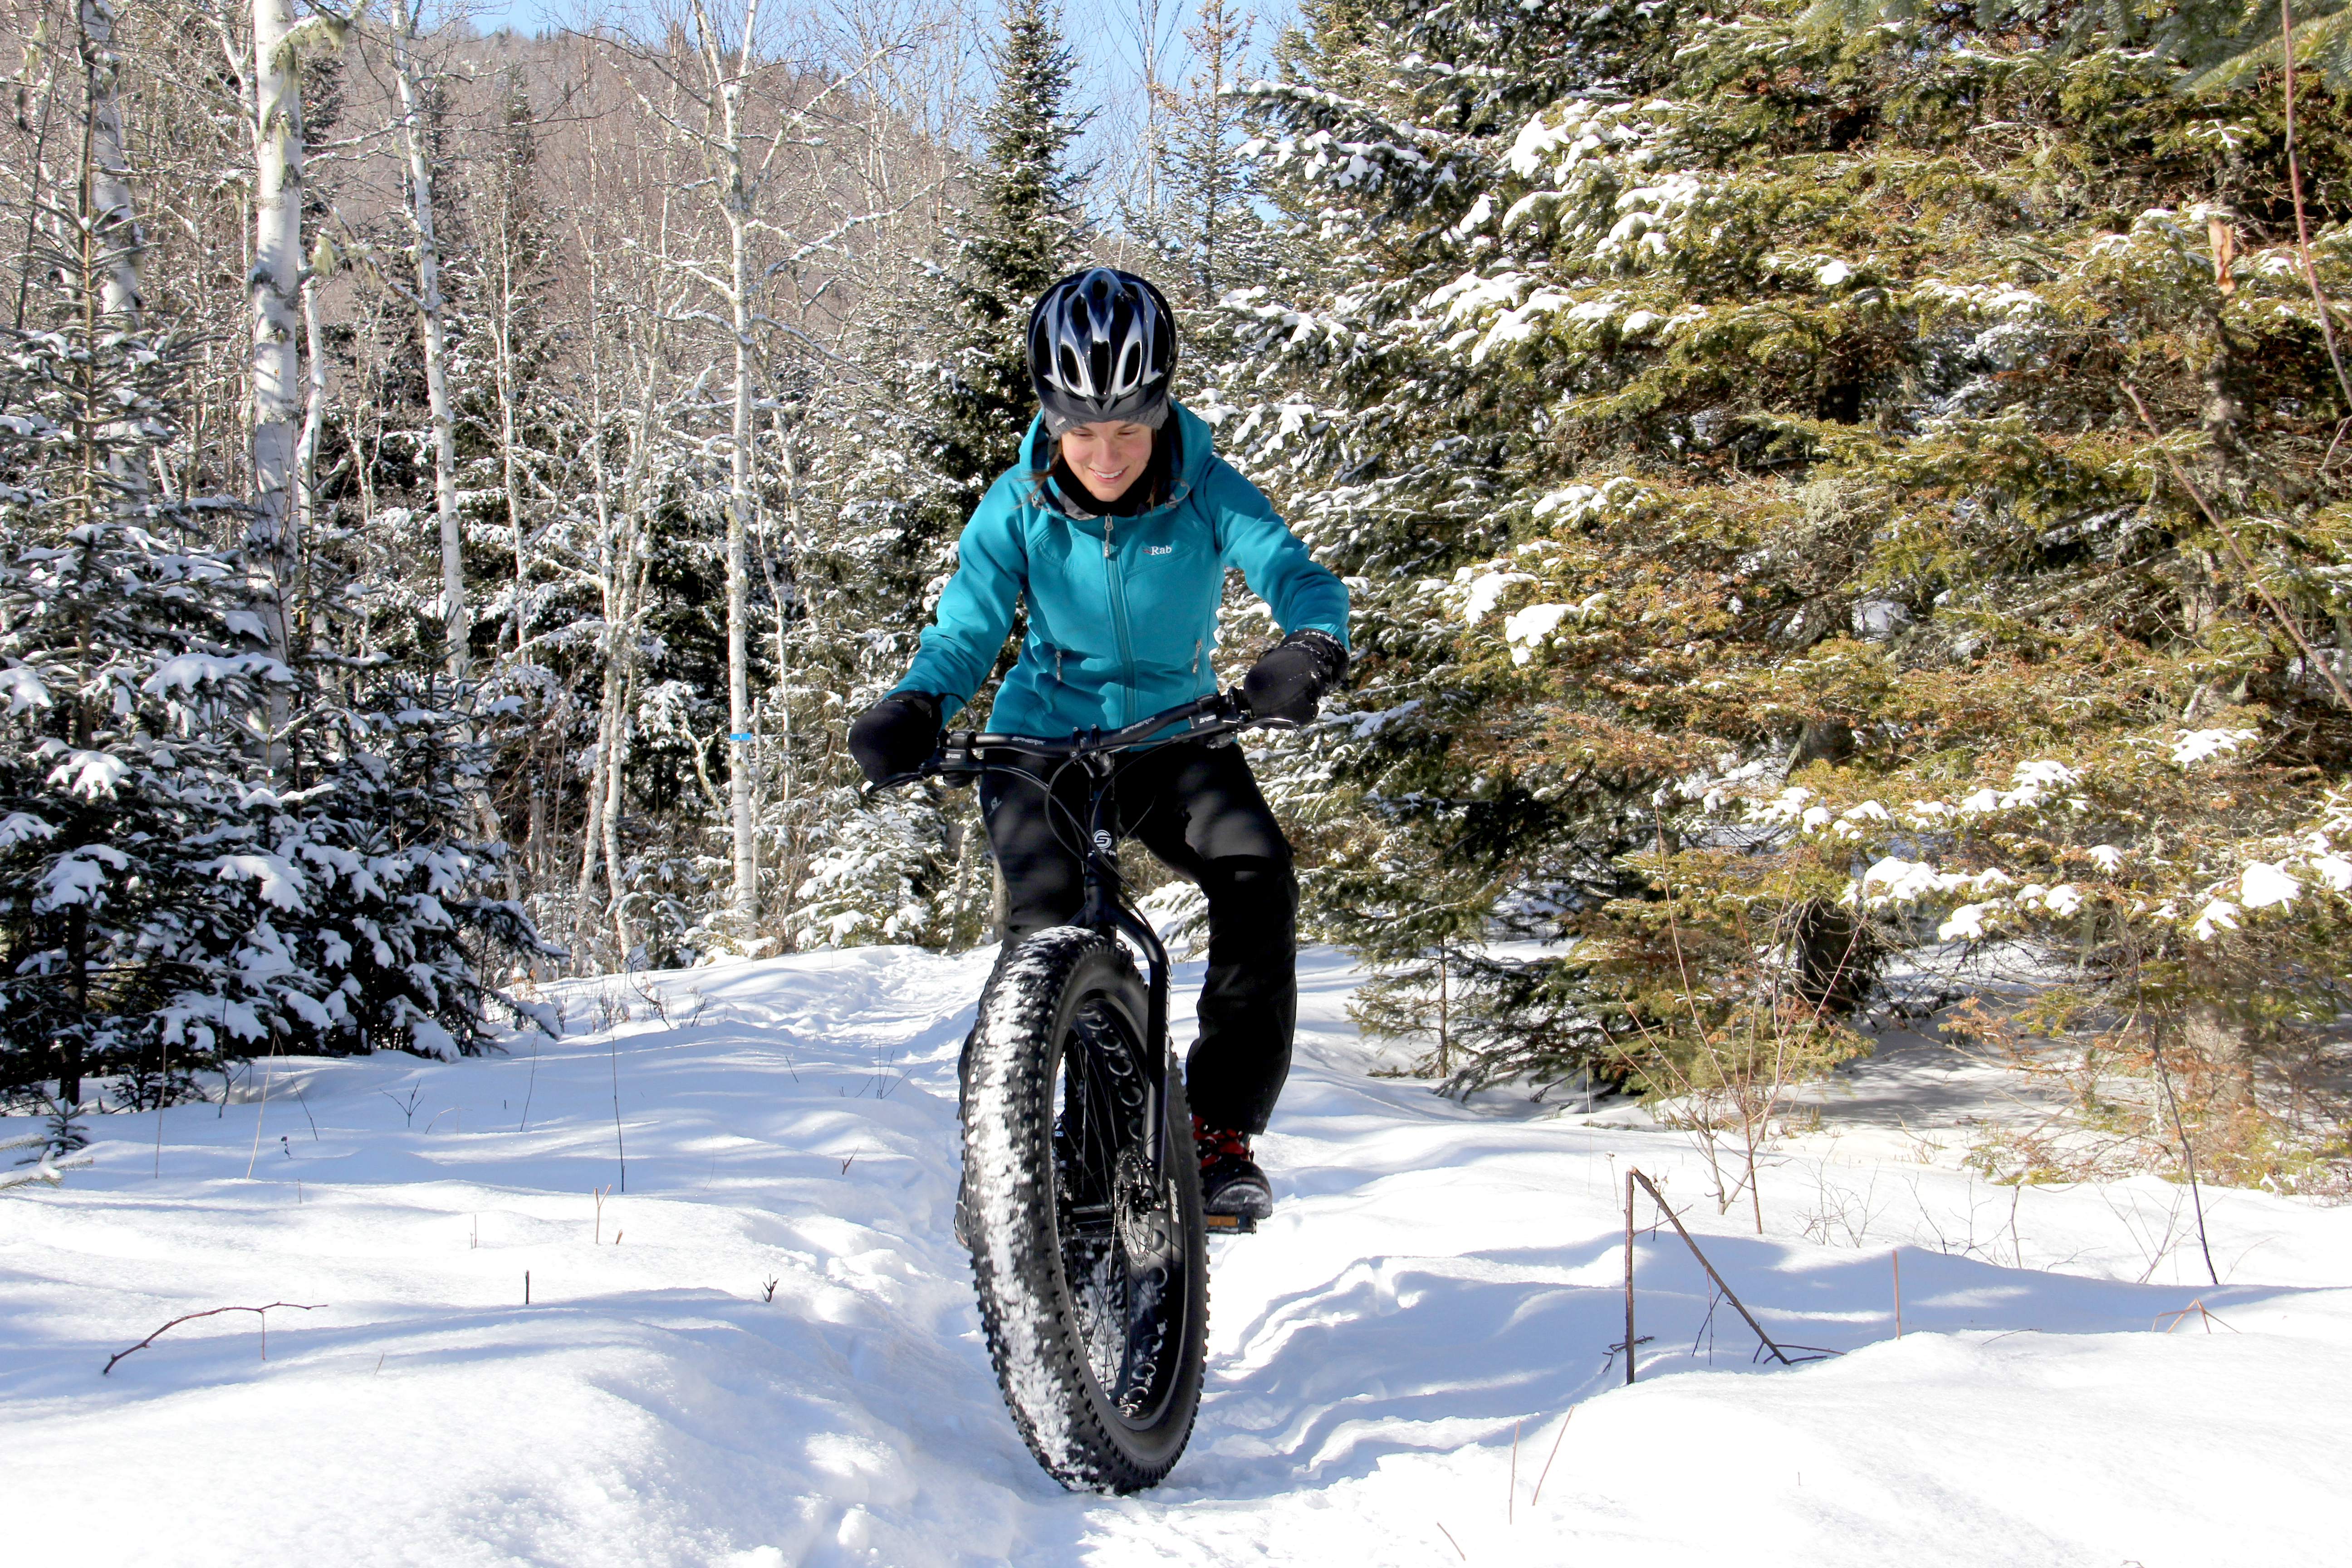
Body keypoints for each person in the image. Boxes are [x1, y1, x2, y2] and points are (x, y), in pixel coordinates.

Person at [847, 268, 1349, 1221]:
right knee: (1047, 925)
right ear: (1050, 415)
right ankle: (1011, 1150)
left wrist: (1310, 646)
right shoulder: (1016, 504)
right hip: (1043, 743)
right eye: (1084, 430)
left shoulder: (1208, 489)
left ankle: (1216, 1132)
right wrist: (917, 702)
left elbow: (1293, 572)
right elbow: (966, 628)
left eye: (1129, 427)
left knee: (1257, 878)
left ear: (1162, 409)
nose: (1107, 454)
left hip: (1176, 735)